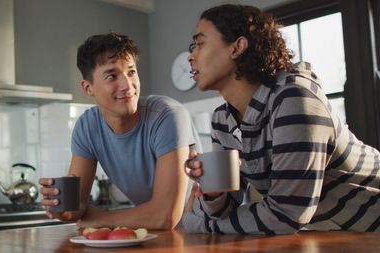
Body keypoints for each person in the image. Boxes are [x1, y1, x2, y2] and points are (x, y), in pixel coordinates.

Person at [183, 4, 380, 234]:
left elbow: (285, 215)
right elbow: (224, 208)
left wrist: (203, 223)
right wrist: (213, 191)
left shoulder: (294, 98)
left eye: (200, 43)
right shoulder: (222, 119)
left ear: (237, 47)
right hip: (339, 235)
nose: (191, 56)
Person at [39, 32, 198, 229]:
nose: (128, 86)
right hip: (149, 235)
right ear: (88, 88)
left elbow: (165, 216)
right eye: (112, 76)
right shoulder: (87, 127)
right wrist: (61, 208)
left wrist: (98, 218)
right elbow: (76, 207)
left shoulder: (167, 115)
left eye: (131, 72)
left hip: (200, 233)